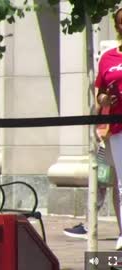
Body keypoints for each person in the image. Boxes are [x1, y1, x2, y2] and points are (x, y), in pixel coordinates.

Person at [71, 7, 122, 250]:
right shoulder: (109, 57)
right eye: (121, 23)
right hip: (114, 128)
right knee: (112, 182)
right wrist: (104, 101)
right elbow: (99, 94)